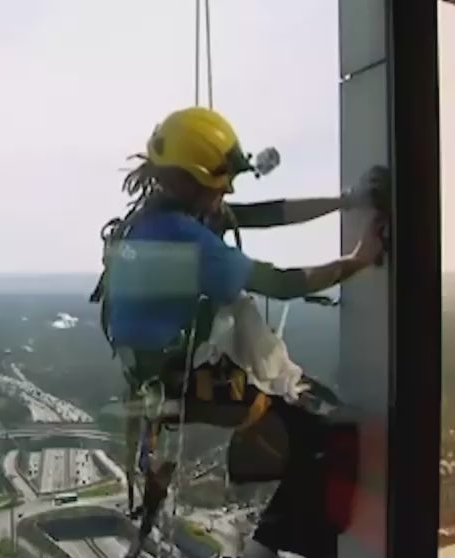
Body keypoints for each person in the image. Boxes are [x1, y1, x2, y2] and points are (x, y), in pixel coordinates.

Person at [94, 107, 386, 558]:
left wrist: (347, 201)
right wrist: (360, 259)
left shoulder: (155, 217)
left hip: (164, 377)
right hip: (187, 382)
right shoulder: (185, 237)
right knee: (329, 433)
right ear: (191, 182)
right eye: (220, 181)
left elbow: (261, 214)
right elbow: (283, 283)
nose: (227, 188)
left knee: (320, 430)